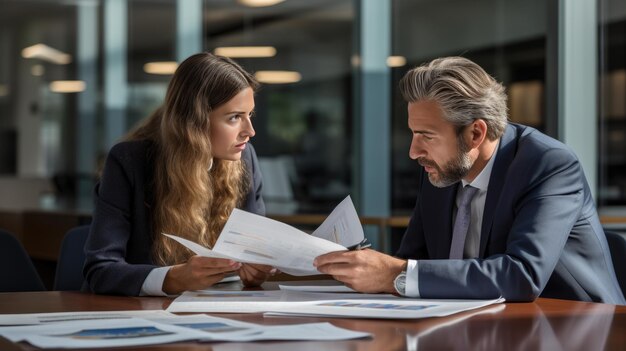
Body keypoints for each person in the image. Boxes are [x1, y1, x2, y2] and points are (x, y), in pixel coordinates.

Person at [314, 56, 625, 304]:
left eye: (427, 136)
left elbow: (522, 275)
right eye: (413, 133)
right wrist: (363, 268)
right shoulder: (439, 168)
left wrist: (394, 273)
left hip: (576, 328)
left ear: (475, 133)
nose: (413, 152)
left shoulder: (548, 165)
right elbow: (413, 260)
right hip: (475, 326)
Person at [83, 53, 274, 296]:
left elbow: (253, 255)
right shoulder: (129, 162)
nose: (250, 131)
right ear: (195, 122)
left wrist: (255, 272)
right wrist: (173, 278)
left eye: (250, 115)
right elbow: (100, 270)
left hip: (218, 310)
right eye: (235, 117)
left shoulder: (246, 159)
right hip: (133, 315)